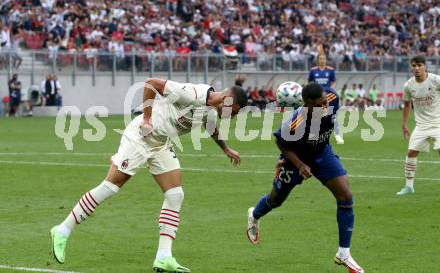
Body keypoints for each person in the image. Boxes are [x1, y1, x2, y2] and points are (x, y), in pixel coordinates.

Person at [50, 79, 247, 272]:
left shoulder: (211, 110)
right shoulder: (192, 93)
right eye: (235, 112)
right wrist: (146, 117)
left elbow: (210, 127)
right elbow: (152, 83)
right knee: (110, 187)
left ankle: (163, 257)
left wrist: (226, 149)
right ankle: (62, 230)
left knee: (175, 195)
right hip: (141, 138)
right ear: (227, 100)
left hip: (160, 144)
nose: (233, 116)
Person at [246, 83, 364, 273]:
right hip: (295, 161)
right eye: (319, 105)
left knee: (345, 196)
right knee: (276, 199)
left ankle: (344, 253)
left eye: (325, 102)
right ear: (308, 104)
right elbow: (281, 142)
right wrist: (300, 165)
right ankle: (254, 215)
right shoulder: (296, 121)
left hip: (322, 153)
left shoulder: (332, 97)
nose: (325, 107)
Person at [397, 55, 440, 195]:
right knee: (411, 153)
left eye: (419, 65)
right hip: (421, 125)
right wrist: (404, 124)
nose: (416, 68)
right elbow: (406, 104)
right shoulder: (408, 85)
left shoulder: (435, 80)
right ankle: (409, 187)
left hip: (438, 123)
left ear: (425, 66)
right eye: (414, 65)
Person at [308, 51, 344, 144]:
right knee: (316, 115)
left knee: (333, 116)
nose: (322, 60)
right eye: (320, 59)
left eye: (323, 58)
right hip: (317, 97)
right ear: (317, 60)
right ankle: (314, 135)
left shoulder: (331, 70)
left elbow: (334, 82)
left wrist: (331, 89)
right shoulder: (313, 70)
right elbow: (309, 82)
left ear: (326, 60)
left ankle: (337, 135)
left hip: (329, 96)